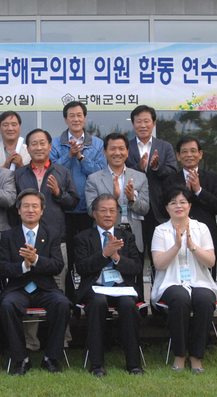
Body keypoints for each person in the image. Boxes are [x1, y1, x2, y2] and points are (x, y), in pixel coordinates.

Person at [15, 128, 79, 350]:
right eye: (34, 143)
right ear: (28, 148)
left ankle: (61, 340)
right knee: (29, 287)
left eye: (43, 143)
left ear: (50, 147)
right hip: (28, 240)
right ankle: (30, 342)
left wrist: (59, 194)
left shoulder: (61, 171)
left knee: (57, 291)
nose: (38, 147)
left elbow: (74, 203)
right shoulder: (20, 173)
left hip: (55, 241)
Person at [0, 189, 72, 375]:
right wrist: (24, 265)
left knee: (62, 303)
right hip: (18, 288)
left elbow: (57, 265)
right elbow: (1, 268)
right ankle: (21, 358)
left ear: (41, 211)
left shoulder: (52, 234)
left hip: (44, 288)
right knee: (7, 305)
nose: (30, 210)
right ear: (19, 210)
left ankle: (51, 359)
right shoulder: (8, 236)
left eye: (35, 206)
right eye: (26, 206)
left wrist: (36, 259)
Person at [74, 193, 144, 377]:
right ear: (94, 213)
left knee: (129, 305)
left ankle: (134, 365)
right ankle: (97, 364)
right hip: (95, 288)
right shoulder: (83, 237)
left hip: (122, 288)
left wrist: (117, 257)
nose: (108, 214)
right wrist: (104, 254)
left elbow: (136, 267)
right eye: (103, 210)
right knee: (98, 303)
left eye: (112, 210)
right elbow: (81, 267)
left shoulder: (127, 237)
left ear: (117, 214)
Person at [151, 186, 217, 373]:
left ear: (189, 205)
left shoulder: (201, 228)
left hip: (199, 281)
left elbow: (211, 262)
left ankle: (196, 355)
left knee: (204, 299)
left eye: (182, 202)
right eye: (173, 203)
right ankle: (180, 354)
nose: (178, 206)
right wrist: (176, 247)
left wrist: (192, 246)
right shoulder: (160, 231)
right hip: (170, 283)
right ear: (167, 208)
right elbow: (159, 265)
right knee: (180, 299)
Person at [85, 132, 149, 307]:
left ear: (127, 152)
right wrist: (113, 198)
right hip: (105, 236)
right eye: (112, 148)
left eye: (121, 148)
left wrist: (132, 199)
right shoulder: (94, 179)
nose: (117, 152)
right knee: (104, 274)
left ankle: (137, 314)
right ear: (105, 152)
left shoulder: (140, 177)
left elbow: (145, 208)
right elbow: (91, 211)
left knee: (134, 276)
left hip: (132, 235)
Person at [50, 101, 106, 289]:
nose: (76, 119)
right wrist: (70, 155)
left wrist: (81, 157)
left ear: (85, 118)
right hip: (62, 208)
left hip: (87, 209)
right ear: (65, 119)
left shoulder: (97, 144)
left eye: (79, 115)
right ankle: (69, 298)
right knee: (66, 256)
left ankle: (86, 293)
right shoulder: (56, 143)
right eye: (71, 115)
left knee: (86, 255)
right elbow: (52, 172)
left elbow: (99, 172)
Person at [126, 105, 177, 305]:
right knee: (135, 258)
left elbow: (172, 174)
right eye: (138, 121)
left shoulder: (164, 147)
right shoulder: (126, 146)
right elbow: (118, 168)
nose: (143, 125)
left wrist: (156, 167)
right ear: (133, 124)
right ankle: (136, 303)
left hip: (157, 212)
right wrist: (137, 169)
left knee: (159, 260)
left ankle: (159, 305)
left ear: (154, 123)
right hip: (133, 210)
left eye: (147, 121)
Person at [162, 136, 217, 280]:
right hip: (176, 240)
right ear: (178, 156)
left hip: (206, 239)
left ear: (200, 154)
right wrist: (185, 192)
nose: (189, 155)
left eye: (193, 151)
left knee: (208, 285)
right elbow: (163, 210)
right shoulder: (170, 181)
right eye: (184, 152)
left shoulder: (213, 179)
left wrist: (198, 190)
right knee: (177, 282)